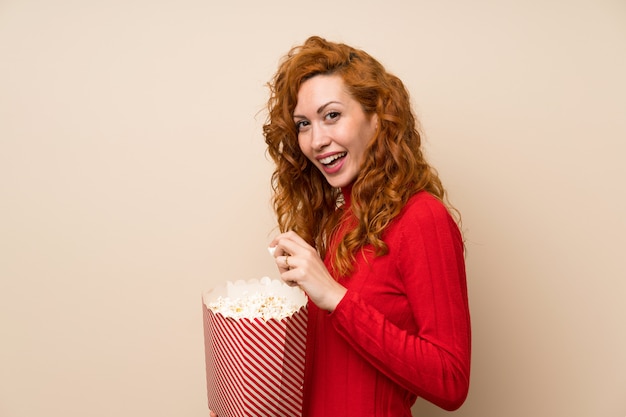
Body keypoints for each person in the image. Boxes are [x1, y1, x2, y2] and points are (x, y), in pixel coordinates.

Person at [212, 35, 471, 417]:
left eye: (331, 115)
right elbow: (329, 373)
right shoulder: (334, 222)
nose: (316, 140)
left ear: (377, 118)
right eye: (303, 124)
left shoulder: (422, 218)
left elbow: (451, 381)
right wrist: (246, 403)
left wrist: (335, 297)